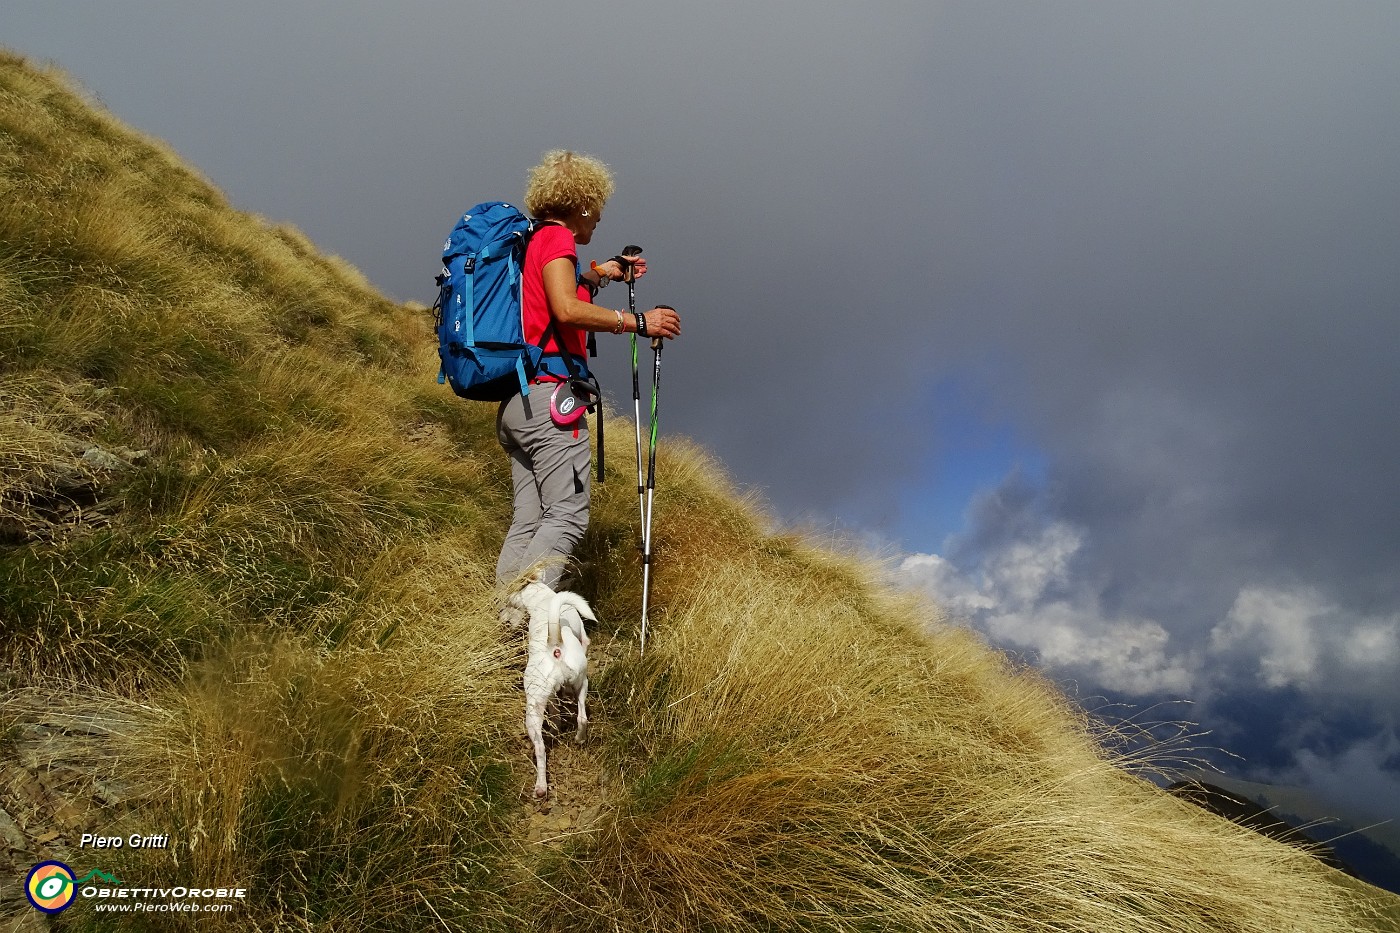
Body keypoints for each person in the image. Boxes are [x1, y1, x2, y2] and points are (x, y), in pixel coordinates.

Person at [495, 150, 681, 589]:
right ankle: (532, 621)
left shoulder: (532, 243)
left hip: (518, 403)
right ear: (582, 203)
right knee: (567, 516)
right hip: (551, 401)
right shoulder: (557, 239)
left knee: (529, 520)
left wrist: (604, 272)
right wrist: (637, 322)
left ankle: (503, 626)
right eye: (597, 207)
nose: (598, 218)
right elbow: (564, 307)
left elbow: (561, 290)